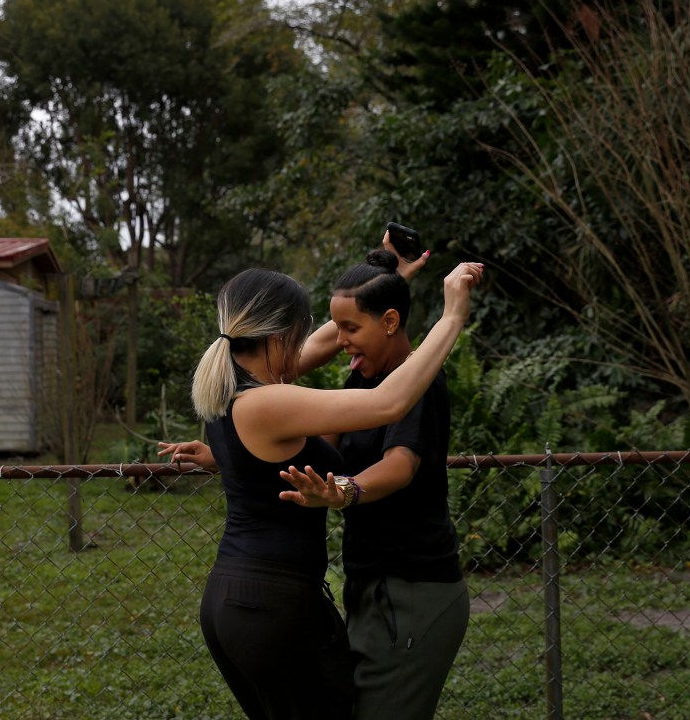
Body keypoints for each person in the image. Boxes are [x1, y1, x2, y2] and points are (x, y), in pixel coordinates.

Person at [167, 259, 483, 720]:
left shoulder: (222, 384)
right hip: (271, 602)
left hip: (232, 599)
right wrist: (452, 316)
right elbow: (389, 402)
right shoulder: (267, 400)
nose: (329, 341)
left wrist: (388, 281)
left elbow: (328, 346)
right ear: (278, 337)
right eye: (303, 333)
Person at [278, 247, 469, 720]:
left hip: (413, 588)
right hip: (371, 586)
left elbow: (399, 466)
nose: (339, 341)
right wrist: (225, 453)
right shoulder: (361, 384)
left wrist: (344, 490)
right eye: (336, 328)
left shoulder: (417, 384)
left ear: (388, 322)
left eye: (350, 329)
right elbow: (313, 443)